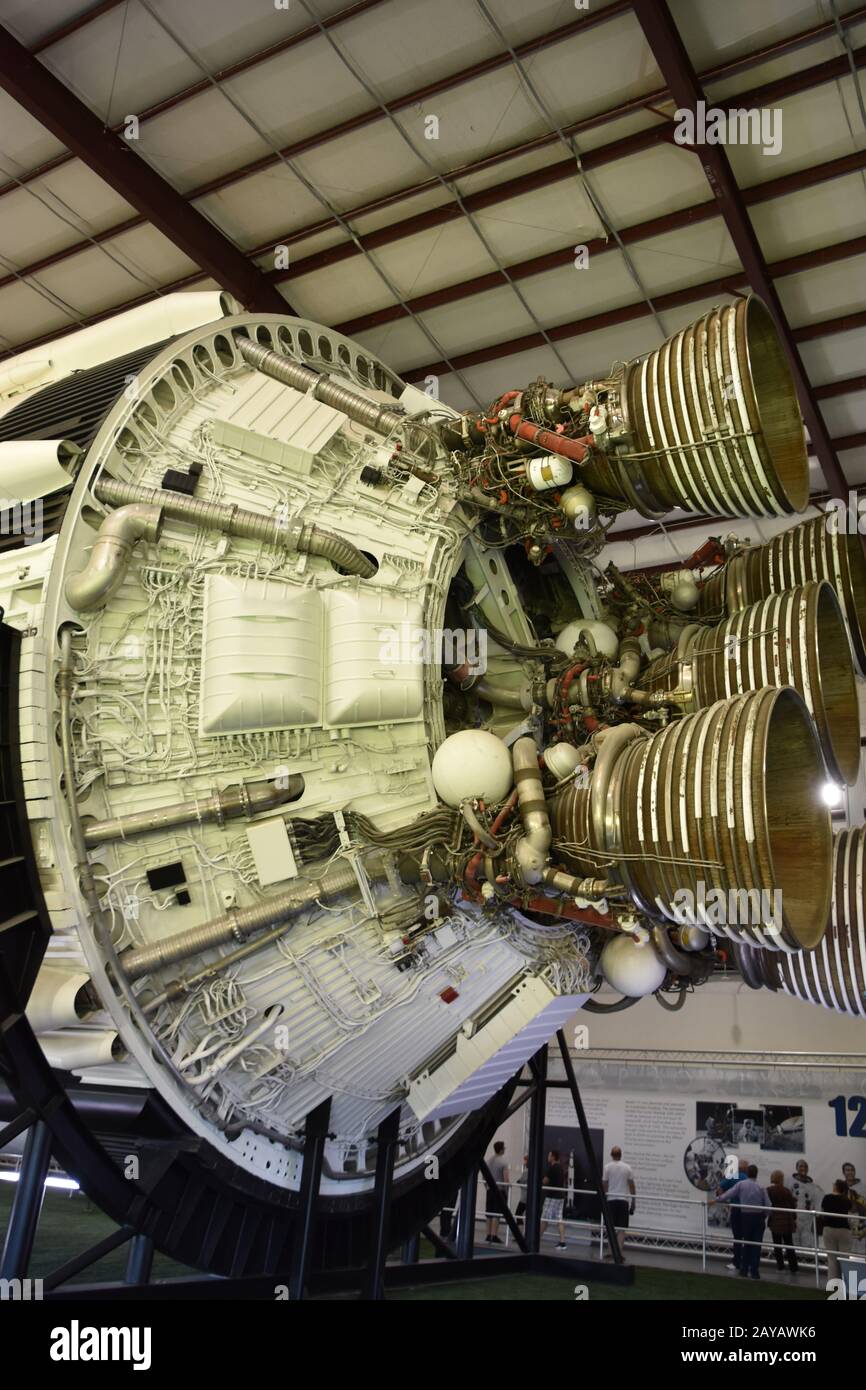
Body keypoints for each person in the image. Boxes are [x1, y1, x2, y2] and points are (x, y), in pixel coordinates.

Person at [712, 1164, 769, 1279]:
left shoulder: (741, 1184)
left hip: (745, 1216)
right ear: (756, 1174)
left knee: (746, 1243)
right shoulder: (761, 1186)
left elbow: (727, 1194)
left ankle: (743, 1269)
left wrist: (716, 1200)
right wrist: (765, 1215)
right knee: (756, 1245)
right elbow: (768, 1205)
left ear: (748, 1173)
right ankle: (754, 1271)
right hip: (758, 1217)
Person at [603, 1145, 636, 1259]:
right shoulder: (627, 1168)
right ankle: (619, 1254)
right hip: (623, 1201)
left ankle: (610, 1252)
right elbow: (632, 1185)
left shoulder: (607, 1167)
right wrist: (633, 1201)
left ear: (612, 1155)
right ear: (621, 1155)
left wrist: (604, 1198)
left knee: (610, 1227)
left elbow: (605, 1185)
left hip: (611, 1200)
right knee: (622, 1229)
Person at [717, 1158, 748, 1271]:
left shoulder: (733, 1176)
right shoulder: (750, 1178)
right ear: (746, 1169)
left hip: (736, 1209)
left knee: (737, 1237)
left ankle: (736, 1262)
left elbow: (720, 1188)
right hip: (748, 1211)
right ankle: (746, 1262)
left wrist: (725, 1202)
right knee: (747, 1237)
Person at [820, 1180, 854, 1281]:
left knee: (832, 1259)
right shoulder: (846, 1200)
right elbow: (851, 1212)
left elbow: (822, 1213)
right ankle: (847, 1282)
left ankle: (833, 1283)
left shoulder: (827, 1198)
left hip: (829, 1229)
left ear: (835, 1186)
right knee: (844, 1258)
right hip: (844, 1230)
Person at [766, 1170, 799, 1273]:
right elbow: (792, 1206)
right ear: (781, 1178)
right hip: (787, 1221)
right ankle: (793, 1268)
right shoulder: (786, 1191)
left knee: (777, 1245)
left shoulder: (769, 1190)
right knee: (789, 1245)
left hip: (775, 1221)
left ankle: (780, 1267)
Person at [540, 1149, 567, 1250]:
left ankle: (536, 1239)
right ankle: (562, 1242)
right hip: (560, 1197)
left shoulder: (552, 1168)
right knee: (559, 1219)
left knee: (544, 1219)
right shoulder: (560, 1167)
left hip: (552, 1197)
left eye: (549, 1155)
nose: (548, 1157)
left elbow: (545, 1181)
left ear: (553, 1157)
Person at [485, 1140, 510, 1244]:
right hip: (499, 1190)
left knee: (489, 1213)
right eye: (504, 1147)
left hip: (490, 1190)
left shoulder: (489, 1160)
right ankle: (494, 1235)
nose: (505, 1149)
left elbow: (484, 1176)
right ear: (501, 1149)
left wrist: (487, 1187)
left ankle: (488, 1234)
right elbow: (506, 1180)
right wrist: (507, 1191)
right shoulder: (503, 1162)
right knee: (496, 1213)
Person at [514, 1153, 529, 1228]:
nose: (524, 1163)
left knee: (518, 1214)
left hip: (524, 1198)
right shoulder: (531, 1172)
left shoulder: (526, 1172)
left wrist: (519, 1182)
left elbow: (520, 1181)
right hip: (528, 1197)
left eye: (525, 1161)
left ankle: (519, 1233)